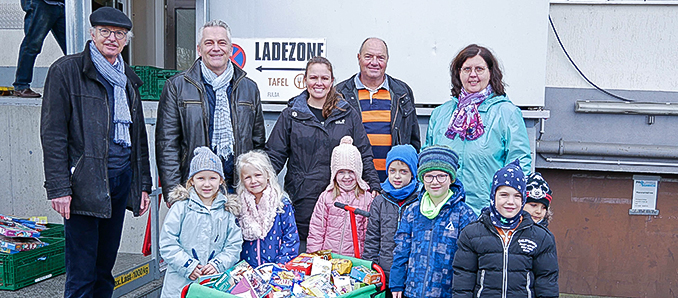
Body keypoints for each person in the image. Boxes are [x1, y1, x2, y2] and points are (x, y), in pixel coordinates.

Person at [40, 7, 152, 297]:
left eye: (119, 34)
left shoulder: (127, 77)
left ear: (126, 40)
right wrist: (58, 188)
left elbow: (137, 137)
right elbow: (53, 135)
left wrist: (142, 185)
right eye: (105, 32)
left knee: (104, 270)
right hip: (83, 184)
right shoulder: (66, 71)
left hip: (119, 181)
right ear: (92, 34)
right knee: (81, 273)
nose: (112, 39)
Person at [266, 57, 381, 248]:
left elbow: (364, 153)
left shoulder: (347, 113)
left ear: (332, 81)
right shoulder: (291, 115)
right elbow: (274, 156)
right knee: (306, 251)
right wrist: (262, 185)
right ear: (304, 80)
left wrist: (374, 184)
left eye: (324, 78)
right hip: (303, 198)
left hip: (340, 198)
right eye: (313, 78)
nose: (319, 83)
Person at [156, 19, 265, 203]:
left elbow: (258, 143)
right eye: (209, 43)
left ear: (230, 49)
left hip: (238, 188)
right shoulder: (177, 86)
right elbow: (167, 144)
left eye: (222, 43)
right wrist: (174, 193)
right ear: (199, 49)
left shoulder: (249, 88)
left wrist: (255, 186)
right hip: (195, 188)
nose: (216, 48)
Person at [425, 44, 531, 216]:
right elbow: (427, 162)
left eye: (479, 69)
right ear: (458, 73)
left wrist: (507, 205)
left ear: (491, 72)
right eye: (467, 69)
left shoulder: (507, 113)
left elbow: (519, 164)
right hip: (443, 212)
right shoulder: (440, 114)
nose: (473, 75)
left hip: (486, 212)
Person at [452, 160, 559, 298]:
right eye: (504, 195)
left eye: (517, 196)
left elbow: (547, 285)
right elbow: (463, 283)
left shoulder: (541, 237)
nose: (510, 202)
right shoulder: (472, 234)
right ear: (493, 196)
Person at [390, 145, 477, 298]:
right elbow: (402, 249)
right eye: (428, 176)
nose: (435, 182)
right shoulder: (412, 211)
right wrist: (397, 282)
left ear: (451, 178)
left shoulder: (464, 214)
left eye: (441, 176)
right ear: (422, 178)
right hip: (413, 290)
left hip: (447, 291)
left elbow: (468, 261)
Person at [159, 147, 242, 298]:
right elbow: (167, 242)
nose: (207, 184)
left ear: (221, 180)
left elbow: (234, 246)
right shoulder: (181, 207)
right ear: (191, 180)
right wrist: (187, 265)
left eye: (212, 178)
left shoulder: (227, 211)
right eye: (201, 178)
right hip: (180, 283)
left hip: (213, 283)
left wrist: (218, 264)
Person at [336, 37, 421, 182]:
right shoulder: (341, 93)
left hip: (394, 184)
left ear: (387, 60)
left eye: (380, 57)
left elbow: (413, 141)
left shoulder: (402, 92)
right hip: (353, 184)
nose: (374, 62)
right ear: (359, 58)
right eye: (368, 56)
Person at [363, 144, 420, 290]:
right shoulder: (380, 201)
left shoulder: (420, 200)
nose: (397, 176)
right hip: (384, 271)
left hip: (411, 272)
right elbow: (372, 239)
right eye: (392, 170)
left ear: (413, 173)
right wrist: (370, 267)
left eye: (403, 171)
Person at [306, 136, 375, 255]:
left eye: (351, 172)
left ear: (358, 173)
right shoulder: (327, 197)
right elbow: (316, 230)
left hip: (355, 259)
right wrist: (314, 256)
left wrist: (365, 259)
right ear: (334, 174)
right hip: (329, 258)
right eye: (341, 172)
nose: (346, 177)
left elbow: (367, 234)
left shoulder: (366, 198)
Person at [232, 150, 300, 267]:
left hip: (275, 269)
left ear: (267, 175)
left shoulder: (281, 203)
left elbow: (290, 237)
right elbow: (233, 240)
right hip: (247, 269)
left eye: (258, 175)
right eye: (248, 177)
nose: (253, 181)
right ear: (242, 180)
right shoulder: (239, 206)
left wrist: (280, 265)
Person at [13, 0, 66, 98]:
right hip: (41, 3)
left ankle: (81, 84)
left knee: (72, 45)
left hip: (61, 4)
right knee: (32, 44)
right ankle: (21, 85)